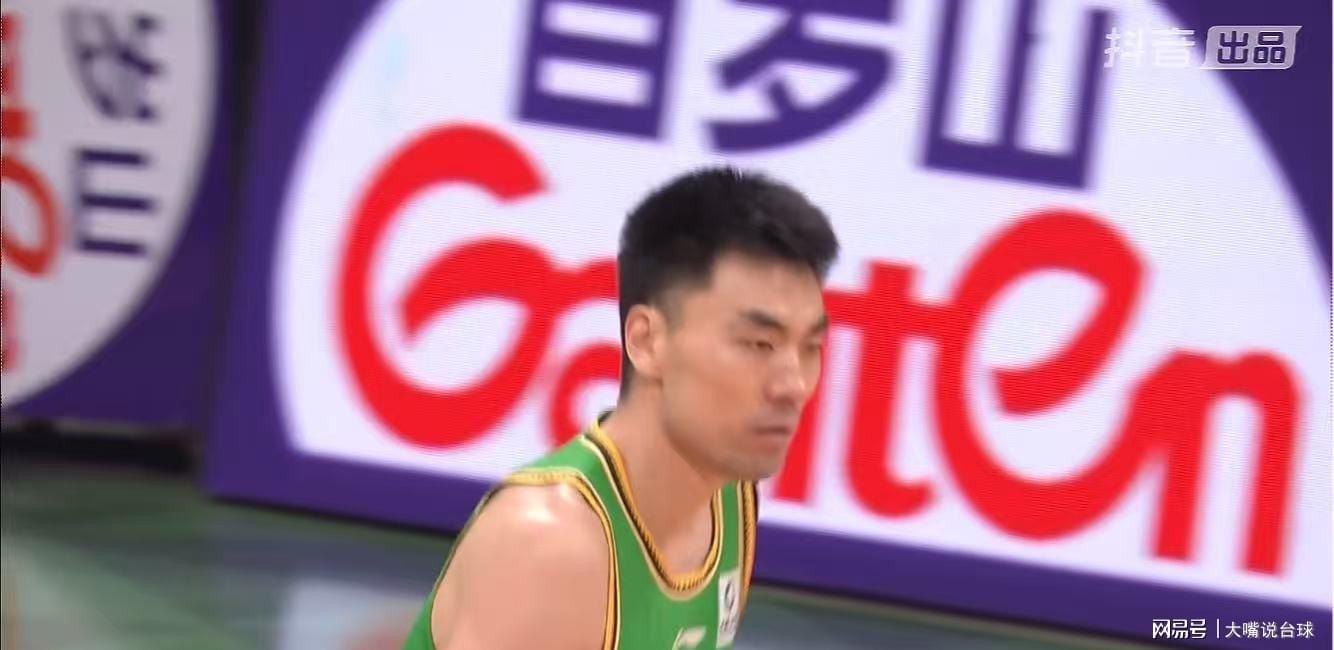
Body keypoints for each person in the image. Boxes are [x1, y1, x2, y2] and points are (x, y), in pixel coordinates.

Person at [402, 166, 840, 649]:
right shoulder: (549, 548)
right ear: (647, 341)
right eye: (759, 344)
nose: (793, 384)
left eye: (810, 347)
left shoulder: (730, 499)